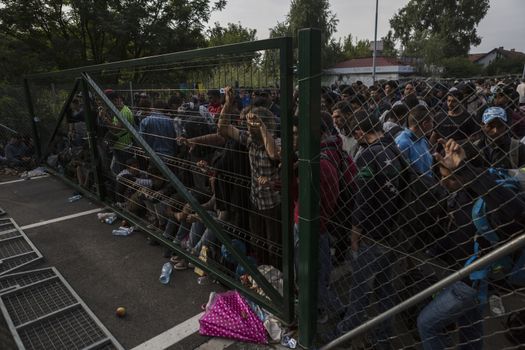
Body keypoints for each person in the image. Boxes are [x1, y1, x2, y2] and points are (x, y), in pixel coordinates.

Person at [417, 138, 525, 350]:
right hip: (467, 275)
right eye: (442, 176)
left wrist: (464, 168)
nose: (444, 182)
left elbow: (517, 212)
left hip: (472, 280)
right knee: (470, 330)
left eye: (451, 177)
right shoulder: (462, 194)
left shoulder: (489, 204)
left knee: (427, 324)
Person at [336, 111, 403, 349]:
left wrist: (355, 235)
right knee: (385, 290)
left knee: (360, 292)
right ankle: (383, 338)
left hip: (371, 234)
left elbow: (363, 199)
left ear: (359, 133)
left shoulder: (368, 155)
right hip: (391, 231)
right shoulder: (394, 149)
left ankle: (343, 334)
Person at [293, 112, 356, 323]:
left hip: (310, 225)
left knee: (310, 276)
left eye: (297, 132)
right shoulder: (337, 151)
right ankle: (323, 308)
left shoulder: (317, 163)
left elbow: (299, 196)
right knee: (320, 270)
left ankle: (332, 311)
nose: (295, 138)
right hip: (324, 223)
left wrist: (285, 179)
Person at [218, 87, 282, 267]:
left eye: (250, 124)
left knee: (274, 245)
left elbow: (273, 154)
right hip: (256, 201)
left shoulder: (276, 143)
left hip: (273, 204)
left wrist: (261, 125)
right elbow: (223, 128)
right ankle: (262, 275)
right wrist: (228, 105)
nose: (246, 126)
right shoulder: (250, 141)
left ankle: (277, 279)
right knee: (257, 242)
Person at [395, 105, 434, 176]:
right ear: (425, 124)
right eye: (432, 122)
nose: (433, 125)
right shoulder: (402, 143)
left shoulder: (423, 140)